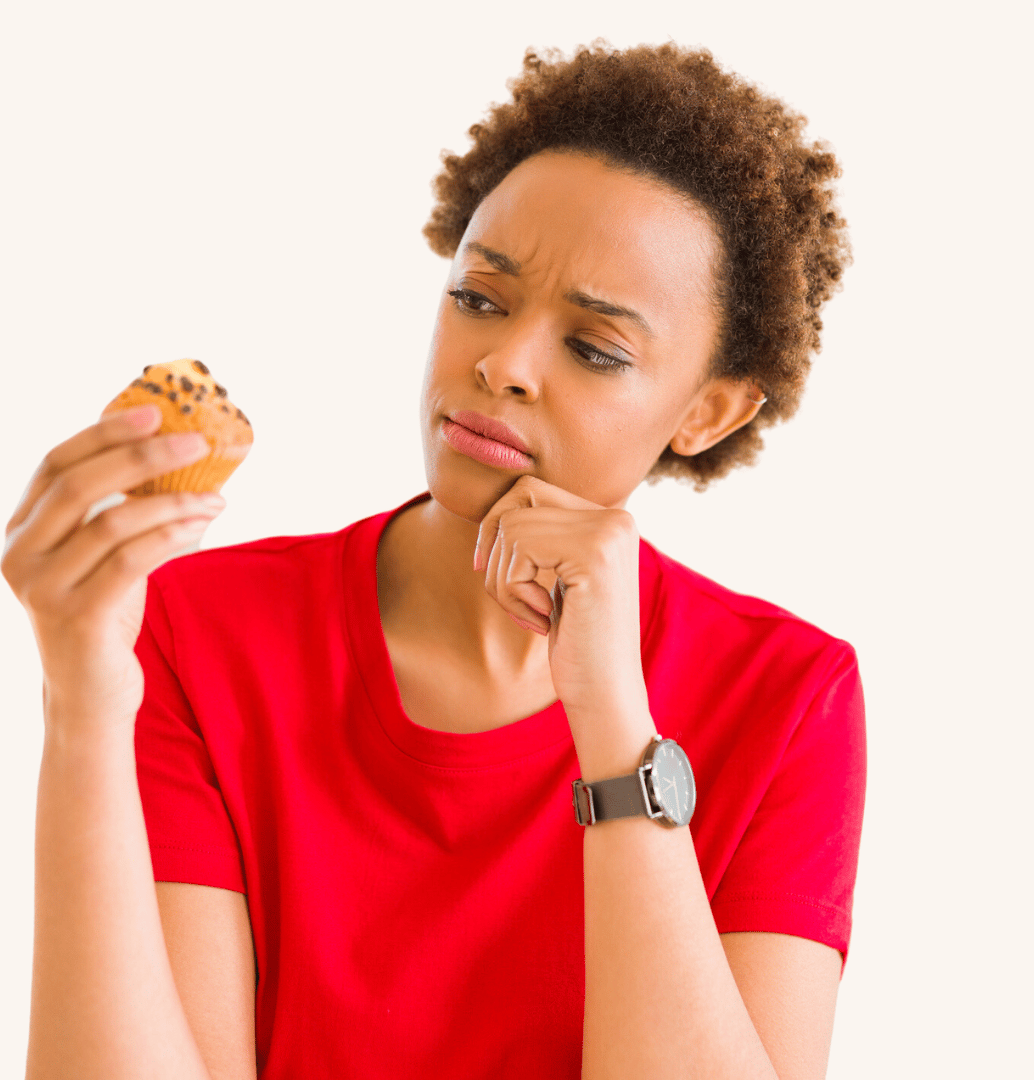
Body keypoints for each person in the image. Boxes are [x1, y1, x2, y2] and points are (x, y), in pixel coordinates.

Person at [3, 40, 864, 1080]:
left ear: (707, 411)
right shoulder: (197, 629)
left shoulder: (789, 695)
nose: (500, 363)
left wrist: (611, 723)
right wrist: (83, 700)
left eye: (594, 349)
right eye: (481, 299)